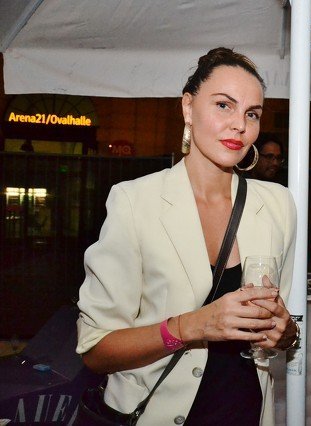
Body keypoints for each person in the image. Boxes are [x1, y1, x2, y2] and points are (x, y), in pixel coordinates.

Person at [76, 47, 298, 426]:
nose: (239, 125)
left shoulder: (278, 205)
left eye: (252, 114)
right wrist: (193, 326)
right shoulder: (135, 201)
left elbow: (284, 322)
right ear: (188, 107)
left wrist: (286, 333)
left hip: (246, 414)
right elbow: (96, 350)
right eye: (224, 105)